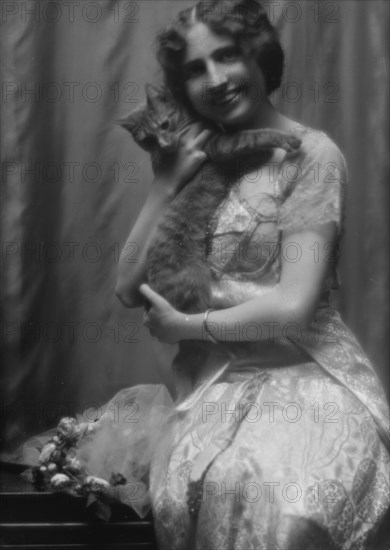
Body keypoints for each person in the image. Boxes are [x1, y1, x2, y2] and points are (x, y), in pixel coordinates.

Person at [6, 1, 389, 549]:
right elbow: (126, 284)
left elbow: (293, 306)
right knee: (216, 485)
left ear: (259, 57)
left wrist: (185, 325)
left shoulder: (312, 157)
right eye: (193, 68)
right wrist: (164, 184)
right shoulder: (192, 156)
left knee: (284, 510)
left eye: (227, 56)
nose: (214, 79)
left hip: (309, 379)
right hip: (215, 388)